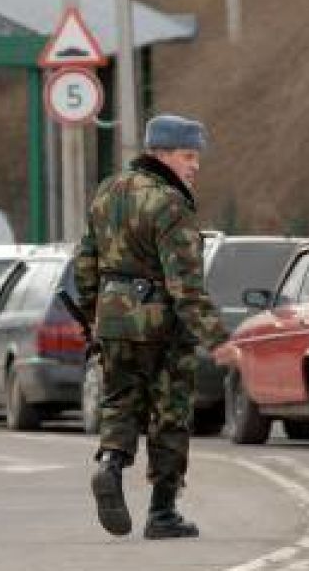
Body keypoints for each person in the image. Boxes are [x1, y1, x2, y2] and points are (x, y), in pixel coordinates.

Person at [73, 113, 229, 540]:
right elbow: (185, 284)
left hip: (114, 319)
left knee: (120, 402)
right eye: (188, 155)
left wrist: (95, 316)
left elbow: (84, 264)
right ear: (161, 154)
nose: (195, 165)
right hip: (161, 326)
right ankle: (162, 513)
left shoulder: (107, 192)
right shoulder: (170, 203)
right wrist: (217, 338)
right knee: (170, 413)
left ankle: (110, 465)